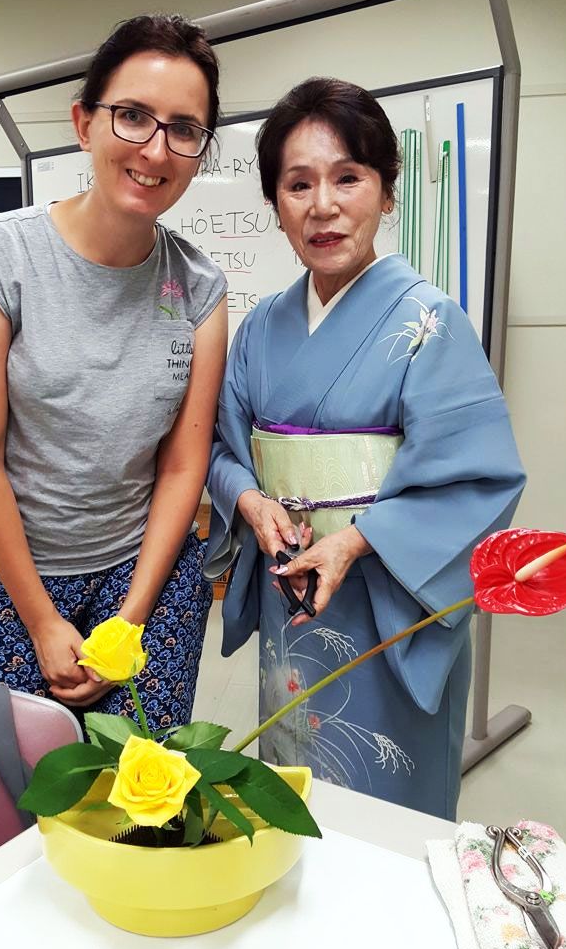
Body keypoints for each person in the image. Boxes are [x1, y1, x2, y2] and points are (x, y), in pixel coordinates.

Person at [205, 77, 525, 819]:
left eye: (348, 177)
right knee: (291, 788)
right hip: (294, 590)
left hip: (385, 597)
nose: (323, 205)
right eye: (298, 183)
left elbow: (476, 481)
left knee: (385, 801)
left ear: (385, 191)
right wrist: (250, 502)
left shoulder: (429, 321)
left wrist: (355, 542)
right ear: (275, 203)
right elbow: (223, 455)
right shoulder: (258, 331)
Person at [0, 14, 228, 731]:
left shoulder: (199, 289)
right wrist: (41, 620)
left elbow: (181, 468)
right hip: (5, 580)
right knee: (28, 797)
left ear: (198, 152)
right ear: (84, 123)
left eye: (183, 129)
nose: (155, 149)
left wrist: (128, 622)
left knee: (145, 793)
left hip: (144, 576)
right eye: (132, 116)